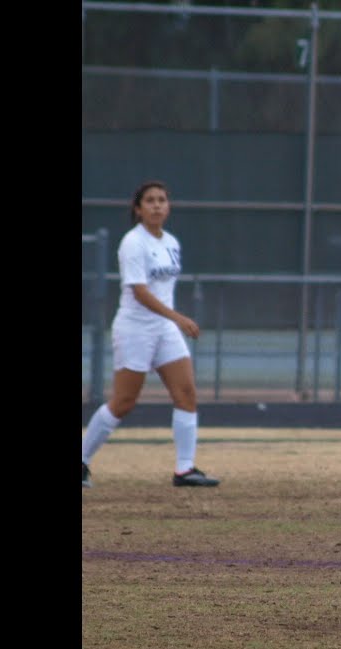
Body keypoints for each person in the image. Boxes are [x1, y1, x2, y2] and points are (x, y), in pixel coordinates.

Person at [81, 181, 220, 489]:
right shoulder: (133, 242)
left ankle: (184, 470)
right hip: (135, 328)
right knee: (124, 401)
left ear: (168, 207)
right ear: (138, 208)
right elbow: (140, 292)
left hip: (164, 328)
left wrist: (171, 321)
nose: (157, 205)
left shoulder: (170, 241)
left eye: (162, 200)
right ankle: (82, 460)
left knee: (186, 394)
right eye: (150, 201)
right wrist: (177, 317)